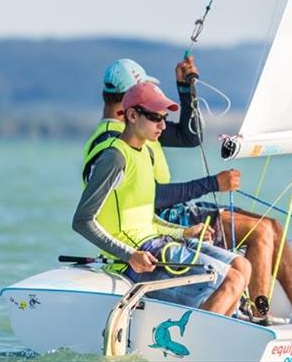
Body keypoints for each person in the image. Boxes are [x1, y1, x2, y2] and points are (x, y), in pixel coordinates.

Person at [89, 58, 292, 321]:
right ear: (131, 102)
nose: (161, 122)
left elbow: (190, 136)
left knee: (271, 226)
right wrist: (212, 184)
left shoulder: (141, 130)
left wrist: (186, 90)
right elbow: (151, 199)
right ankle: (259, 316)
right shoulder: (114, 143)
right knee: (260, 231)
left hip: (168, 217)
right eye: (148, 92)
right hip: (159, 222)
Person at [73, 82, 250, 315]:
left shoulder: (145, 152)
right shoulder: (115, 158)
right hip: (135, 258)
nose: (163, 125)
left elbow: (145, 218)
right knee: (232, 281)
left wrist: (183, 232)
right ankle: (197, 343)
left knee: (242, 266)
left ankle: (214, 331)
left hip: (158, 243)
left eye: (164, 118)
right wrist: (129, 256)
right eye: (156, 118)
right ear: (132, 115)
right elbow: (82, 221)